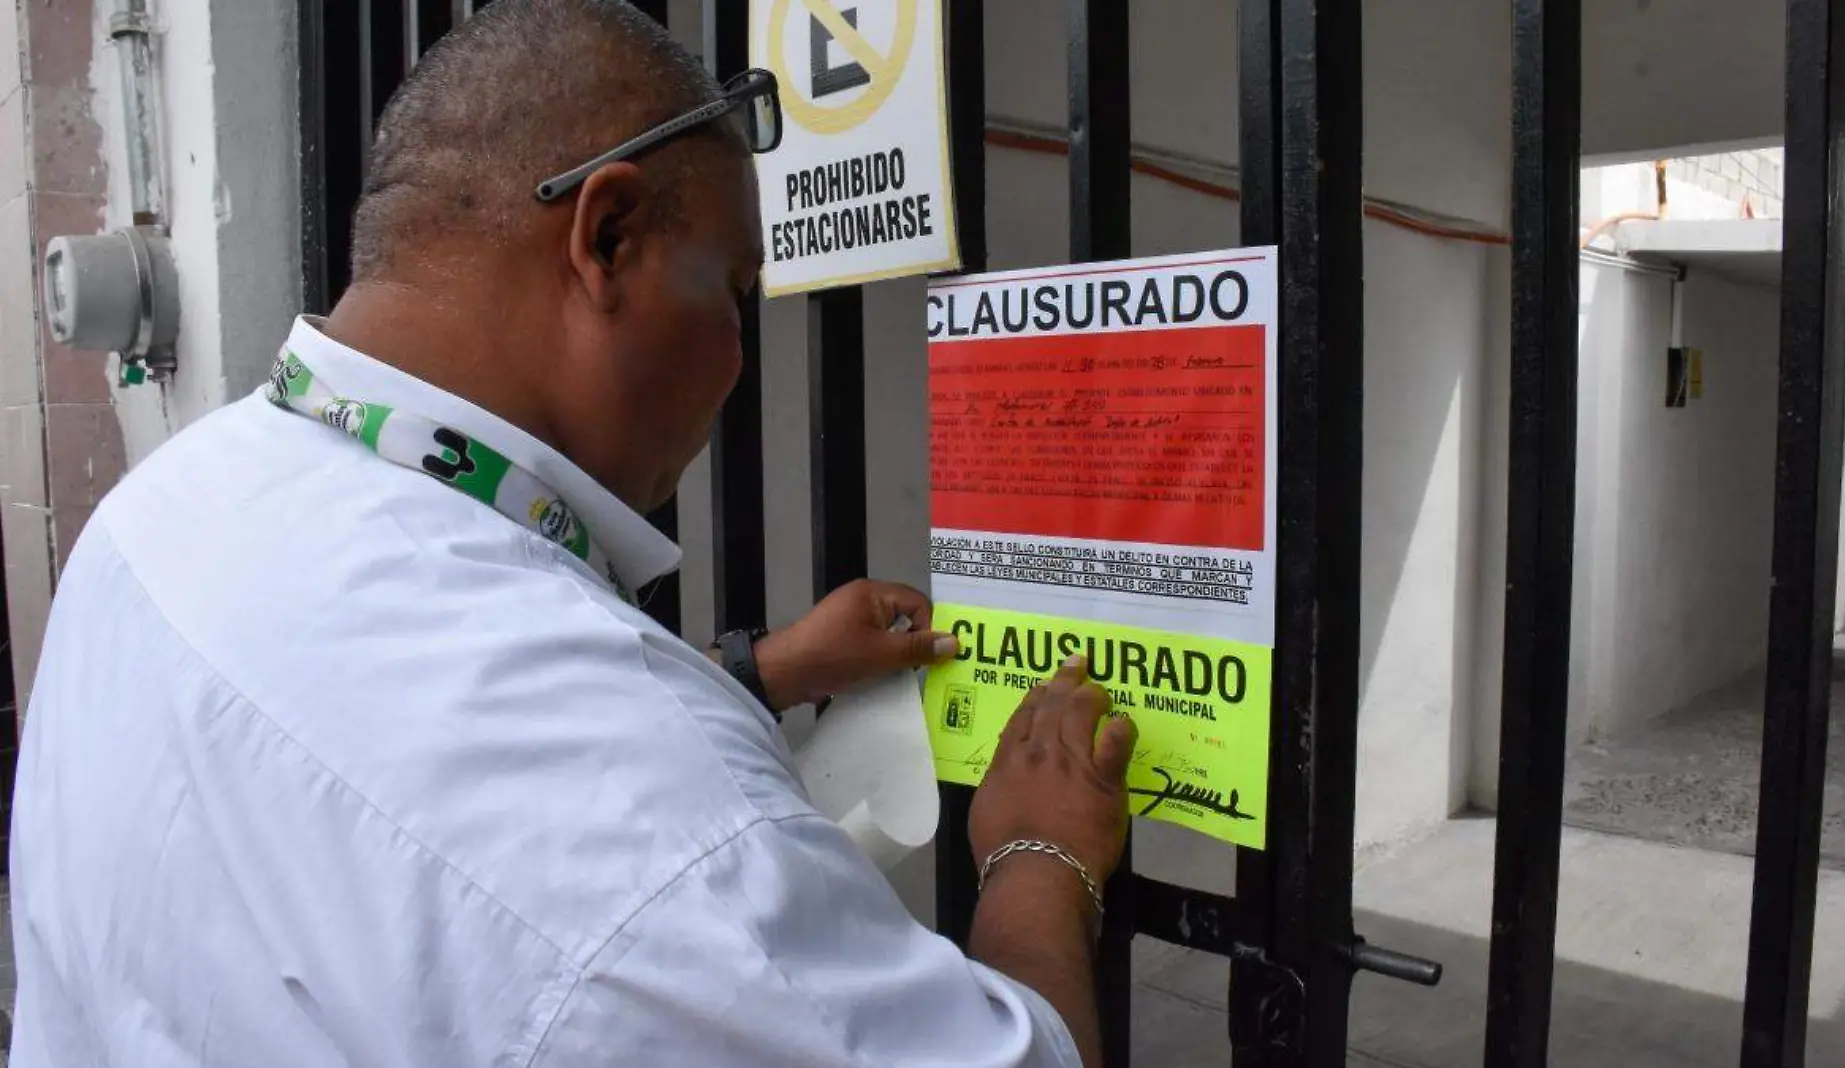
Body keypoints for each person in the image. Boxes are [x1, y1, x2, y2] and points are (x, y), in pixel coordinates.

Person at [7, 1, 1137, 1066]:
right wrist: (1040, 858)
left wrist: (765, 667)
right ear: (608, 237)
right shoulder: (667, 836)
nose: (738, 358)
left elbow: (389, 740)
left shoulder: (163, 510)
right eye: (733, 292)